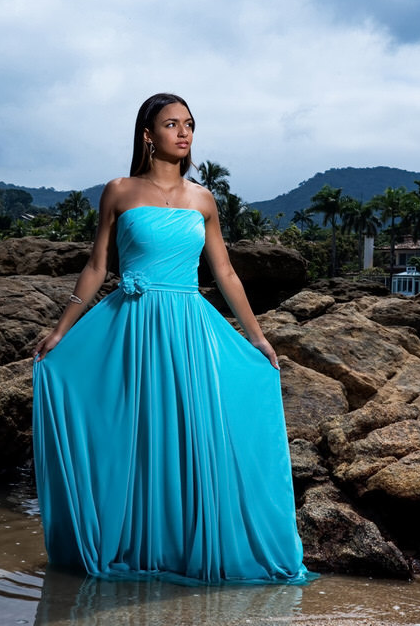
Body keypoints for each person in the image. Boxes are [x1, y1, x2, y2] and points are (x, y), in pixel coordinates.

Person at [32, 92, 309, 584]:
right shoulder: (119, 190)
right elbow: (98, 266)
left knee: (193, 433)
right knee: (133, 434)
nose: (184, 133)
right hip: (133, 325)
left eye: (189, 124)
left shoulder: (202, 198)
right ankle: (137, 546)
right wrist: (61, 330)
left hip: (189, 327)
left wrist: (258, 338)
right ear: (147, 134)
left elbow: (224, 272)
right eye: (171, 124)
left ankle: (185, 548)